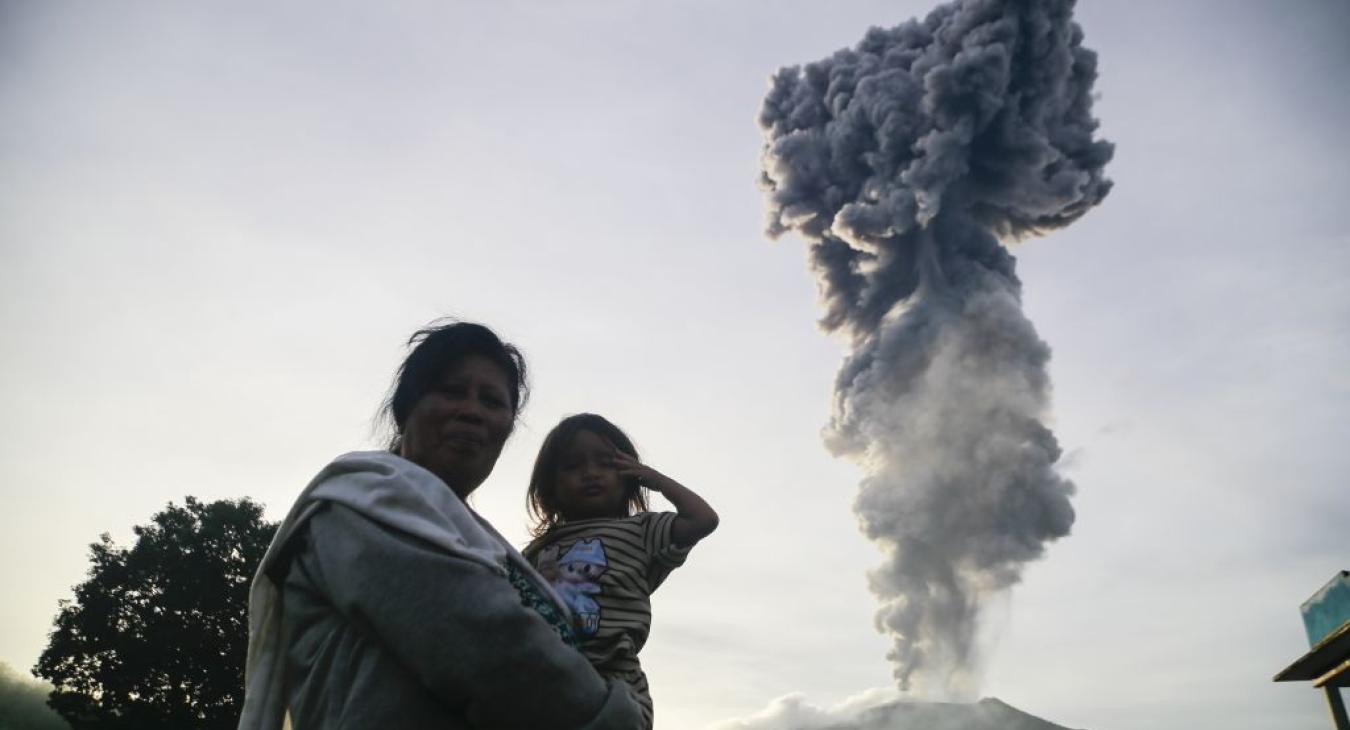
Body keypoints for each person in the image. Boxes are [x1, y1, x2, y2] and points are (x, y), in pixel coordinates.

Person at [238, 321, 642, 730]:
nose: (472, 411)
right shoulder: (360, 503)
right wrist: (614, 716)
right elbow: (490, 650)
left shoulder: (486, 544)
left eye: (492, 401)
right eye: (452, 391)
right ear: (407, 407)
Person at [524, 413, 720, 730]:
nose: (591, 473)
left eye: (607, 464)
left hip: (614, 680)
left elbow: (703, 519)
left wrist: (656, 480)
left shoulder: (641, 530)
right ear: (550, 486)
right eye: (573, 466)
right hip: (545, 678)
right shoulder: (536, 550)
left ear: (629, 476)